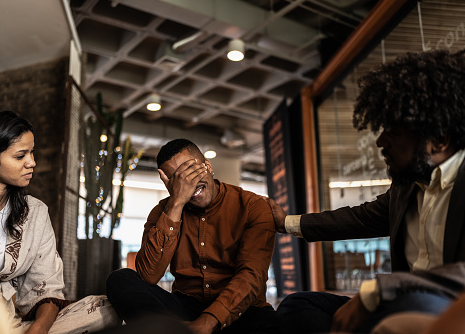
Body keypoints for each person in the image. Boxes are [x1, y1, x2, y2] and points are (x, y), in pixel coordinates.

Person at [265, 49, 465, 333]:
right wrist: (285, 223)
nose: (381, 141)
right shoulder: (407, 187)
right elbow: (359, 218)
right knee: (297, 306)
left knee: (408, 311)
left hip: (448, 310)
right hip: (398, 300)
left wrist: (380, 290)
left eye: (394, 132)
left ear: (439, 140)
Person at [106, 139, 278, 334]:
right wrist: (177, 202)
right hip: (186, 308)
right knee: (120, 280)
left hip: (243, 311)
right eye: (178, 179)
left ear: (208, 166)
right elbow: (149, 275)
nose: (188, 182)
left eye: (190, 171)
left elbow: (251, 276)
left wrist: (208, 321)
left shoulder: (253, 207)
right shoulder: (162, 212)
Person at [0, 110, 122, 333]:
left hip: (11, 325)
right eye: (20, 156)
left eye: (31, 153)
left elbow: (46, 287)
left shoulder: (35, 212)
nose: (31, 162)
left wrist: (39, 330)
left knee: (106, 308)